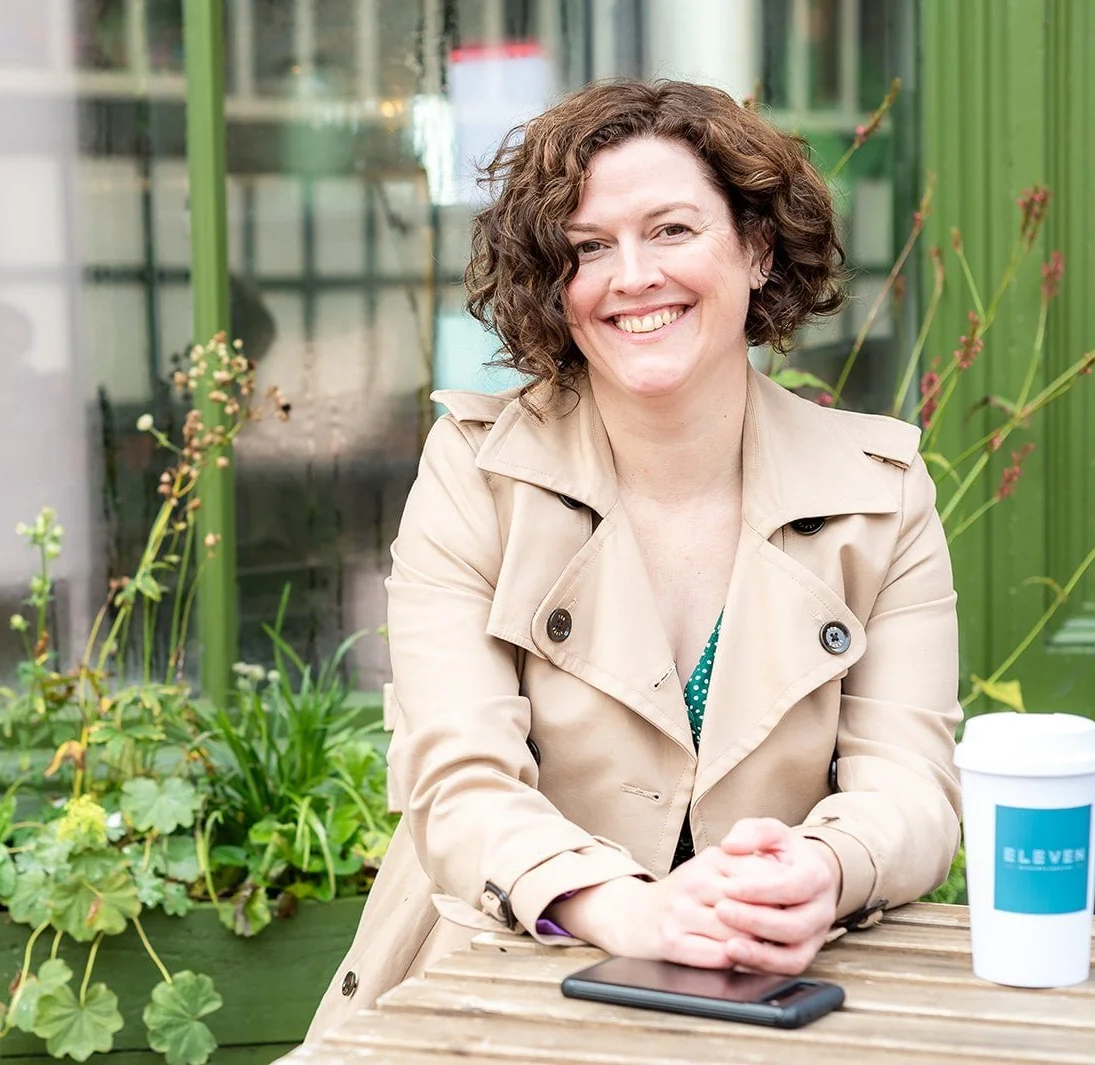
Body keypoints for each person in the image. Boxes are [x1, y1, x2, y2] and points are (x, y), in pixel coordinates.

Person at [307, 79, 960, 1038]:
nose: (633, 275)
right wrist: (628, 910)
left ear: (757, 246)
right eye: (587, 248)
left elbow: (912, 787)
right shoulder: (475, 472)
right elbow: (458, 786)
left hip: (789, 989)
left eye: (671, 230)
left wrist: (823, 870)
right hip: (497, 987)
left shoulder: (882, 492)